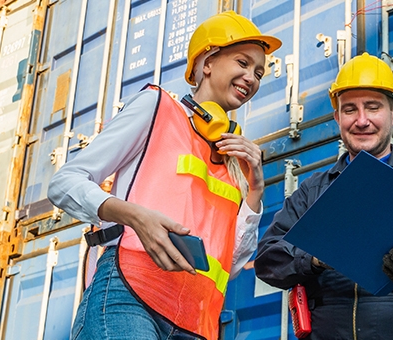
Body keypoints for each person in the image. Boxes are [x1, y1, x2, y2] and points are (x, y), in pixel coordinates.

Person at [48, 11, 281, 340]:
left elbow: (230, 262)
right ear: (208, 62)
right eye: (242, 63)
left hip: (196, 320)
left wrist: (255, 190)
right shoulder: (157, 107)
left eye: (259, 72)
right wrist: (136, 217)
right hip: (129, 296)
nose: (252, 78)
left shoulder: (238, 160)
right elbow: (64, 183)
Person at [254, 52, 393, 339]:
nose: (361, 120)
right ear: (337, 117)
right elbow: (267, 262)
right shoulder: (313, 190)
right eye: (350, 110)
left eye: (372, 107)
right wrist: (317, 257)